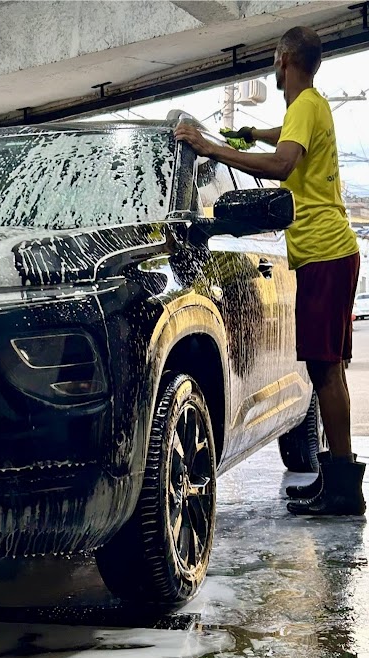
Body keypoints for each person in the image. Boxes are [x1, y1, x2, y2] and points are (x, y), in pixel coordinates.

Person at [174, 26, 364, 516]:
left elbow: (282, 164)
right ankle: (339, 481)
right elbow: (285, 138)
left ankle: (343, 489)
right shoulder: (312, 105)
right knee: (329, 367)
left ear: (283, 59)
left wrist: (213, 149)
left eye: (275, 60)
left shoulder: (304, 106)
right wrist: (251, 134)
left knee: (325, 368)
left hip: (324, 252)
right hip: (331, 252)